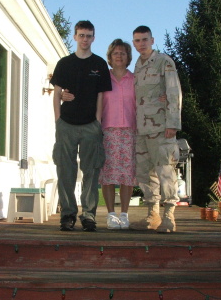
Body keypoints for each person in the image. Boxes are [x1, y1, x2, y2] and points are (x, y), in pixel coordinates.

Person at [62, 39, 137, 230]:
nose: (119, 56)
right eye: (115, 53)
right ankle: (111, 214)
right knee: (108, 174)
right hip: (106, 130)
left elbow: (145, 100)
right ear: (110, 57)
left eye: (122, 53)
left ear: (128, 56)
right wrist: (63, 94)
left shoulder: (135, 79)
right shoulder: (103, 77)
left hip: (130, 130)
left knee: (127, 175)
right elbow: (85, 94)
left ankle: (124, 214)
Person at [51, 20, 111, 232]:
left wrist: (98, 121)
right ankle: (67, 215)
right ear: (75, 37)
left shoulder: (100, 64)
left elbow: (101, 95)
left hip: (90, 126)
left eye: (89, 35)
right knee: (65, 171)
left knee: (91, 171)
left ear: (93, 38)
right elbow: (57, 93)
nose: (85, 39)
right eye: (81, 35)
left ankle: (89, 216)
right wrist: (58, 120)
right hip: (66, 125)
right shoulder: (64, 63)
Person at [129, 25, 182, 233]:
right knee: (145, 173)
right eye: (137, 41)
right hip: (141, 129)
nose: (141, 44)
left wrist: (172, 124)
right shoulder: (138, 66)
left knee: (165, 170)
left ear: (152, 40)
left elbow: (174, 92)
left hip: (162, 128)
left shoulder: (164, 61)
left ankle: (169, 216)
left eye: (144, 39)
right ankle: (153, 215)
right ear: (134, 43)